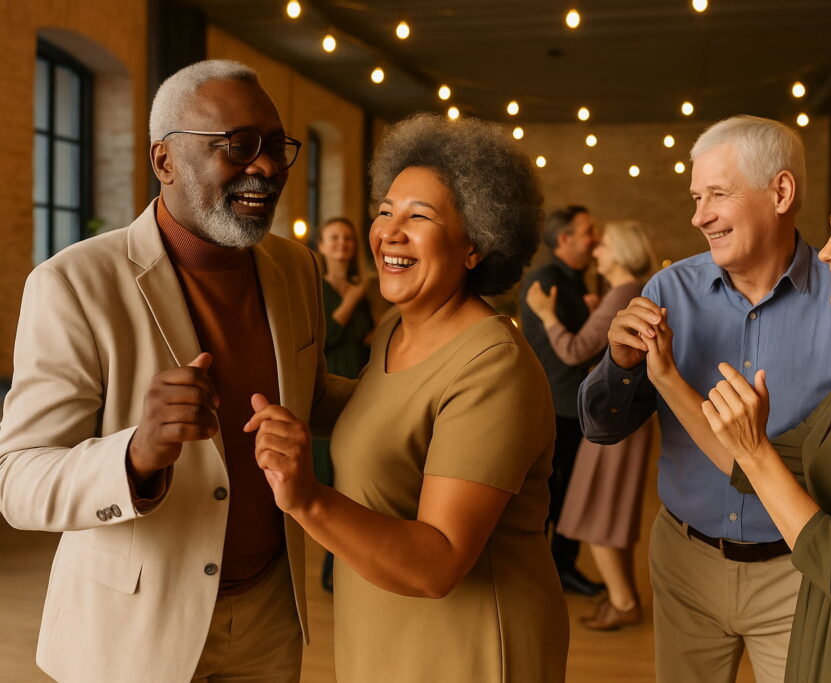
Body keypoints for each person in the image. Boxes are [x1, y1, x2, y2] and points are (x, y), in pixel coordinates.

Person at [579, 115, 831, 683]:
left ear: (781, 191)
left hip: (816, 581)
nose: (698, 215)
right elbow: (755, 461)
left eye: (718, 194)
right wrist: (649, 372)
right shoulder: (672, 293)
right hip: (694, 564)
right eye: (696, 196)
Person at [0, 59, 348, 683]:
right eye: (238, 146)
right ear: (164, 160)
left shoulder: (296, 267)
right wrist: (135, 453)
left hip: (270, 613)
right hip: (132, 631)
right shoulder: (74, 284)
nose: (266, 167)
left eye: (276, 146)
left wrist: (429, 394)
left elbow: (311, 397)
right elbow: (18, 481)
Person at [245, 113, 569, 682]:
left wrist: (307, 499)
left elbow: (439, 560)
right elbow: (386, 418)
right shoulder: (396, 329)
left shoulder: (493, 366)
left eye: (419, 217)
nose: (390, 232)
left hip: (467, 647)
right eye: (386, 211)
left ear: (475, 244)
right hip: (385, 631)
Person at [526, 220, 656, 630]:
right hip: (621, 412)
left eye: (604, 245)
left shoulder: (623, 294)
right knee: (606, 509)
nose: (596, 251)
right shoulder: (627, 293)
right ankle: (624, 597)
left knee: (597, 511)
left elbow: (576, 349)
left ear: (618, 253)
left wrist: (547, 315)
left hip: (613, 415)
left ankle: (623, 602)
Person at [520, 205, 605, 596]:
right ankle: (546, 570)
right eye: (588, 231)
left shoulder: (576, 280)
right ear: (564, 239)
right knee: (552, 493)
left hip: (576, 401)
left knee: (572, 491)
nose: (595, 238)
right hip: (558, 403)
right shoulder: (544, 281)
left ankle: (562, 566)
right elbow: (556, 349)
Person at [313, 216, 376, 591]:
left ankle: (345, 569)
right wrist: (350, 301)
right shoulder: (315, 288)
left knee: (355, 482)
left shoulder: (361, 288)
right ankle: (331, 572)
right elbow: (323, 341)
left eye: (348, 238)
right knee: (333, 483)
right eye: (334, 238)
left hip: (360, 389)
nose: (342, 244)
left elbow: (362, 337)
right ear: (321, 245)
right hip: (328, 389)